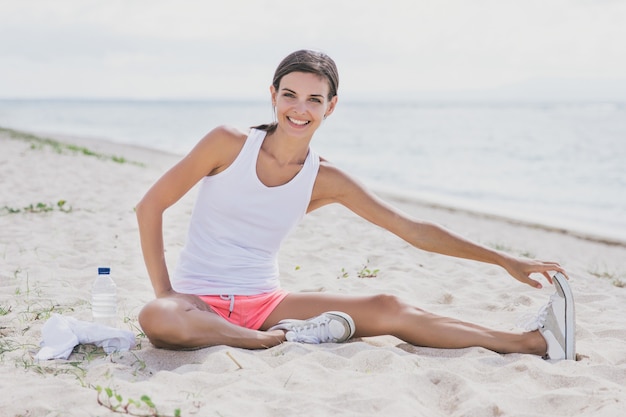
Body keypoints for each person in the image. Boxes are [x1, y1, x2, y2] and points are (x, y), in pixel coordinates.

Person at [136, 49, 575, 360]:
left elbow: (413, 229)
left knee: (389, 306)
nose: (299, 109)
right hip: (197, 303)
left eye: (314, 99)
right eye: (289, 95)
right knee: (156, 316)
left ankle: (531, 344)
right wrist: (169, 292)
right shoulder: (227, 144)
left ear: (331, 107)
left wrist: (504, 260)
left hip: (268, 302)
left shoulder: (326, 179)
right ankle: (260, 341)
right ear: (273, 95)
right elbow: (149, 206)